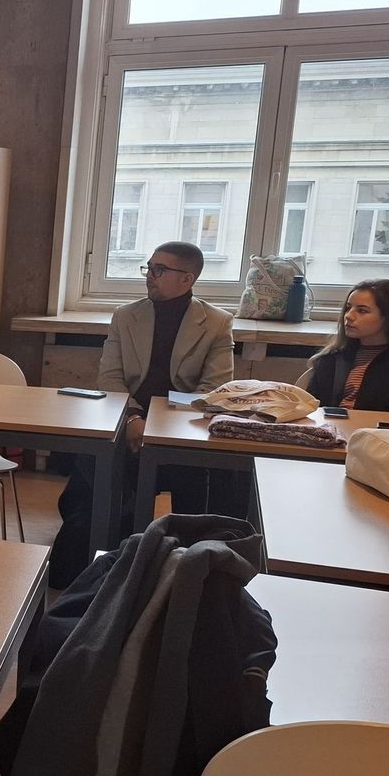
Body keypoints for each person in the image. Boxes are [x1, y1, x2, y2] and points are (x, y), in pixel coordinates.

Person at [46, 241, 235, 588]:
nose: (150, 275)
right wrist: (134, 419)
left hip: (180, 425)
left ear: (187, 279)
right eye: (149, 267)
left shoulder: (217, 323)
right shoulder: (126, 315)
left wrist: (158, 427)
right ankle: (87, 567)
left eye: (160, 270)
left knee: (213, 478)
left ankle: (180, 570)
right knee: (93, 469)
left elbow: (213, 390)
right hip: (125, 417)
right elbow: (110, 379)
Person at [306, 278, 389, 413]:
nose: (348, 316)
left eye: (362, 311)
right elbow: (312, 408)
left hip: (382, 426)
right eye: (348, 308)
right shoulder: (333, 357)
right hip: (332, 425)